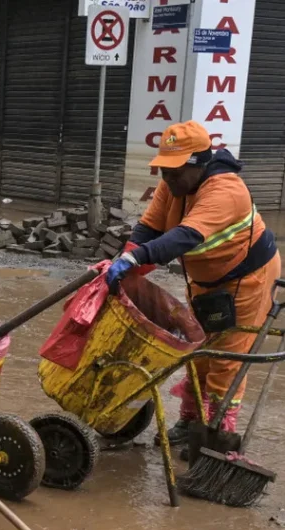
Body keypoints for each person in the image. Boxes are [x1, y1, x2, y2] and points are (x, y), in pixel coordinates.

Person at [107, 120, 282, 445]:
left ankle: (217, 431)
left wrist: (136, 259)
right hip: (205, 279)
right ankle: (190, 423)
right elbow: (150, 227)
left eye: (174, 172)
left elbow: (185, 236)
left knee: (226, 359)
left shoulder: (227, 190)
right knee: (198, 350)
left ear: (199, 165)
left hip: (247, 279)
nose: (168, 178)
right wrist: (125, 258)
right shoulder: (173, 186)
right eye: (164, 171)